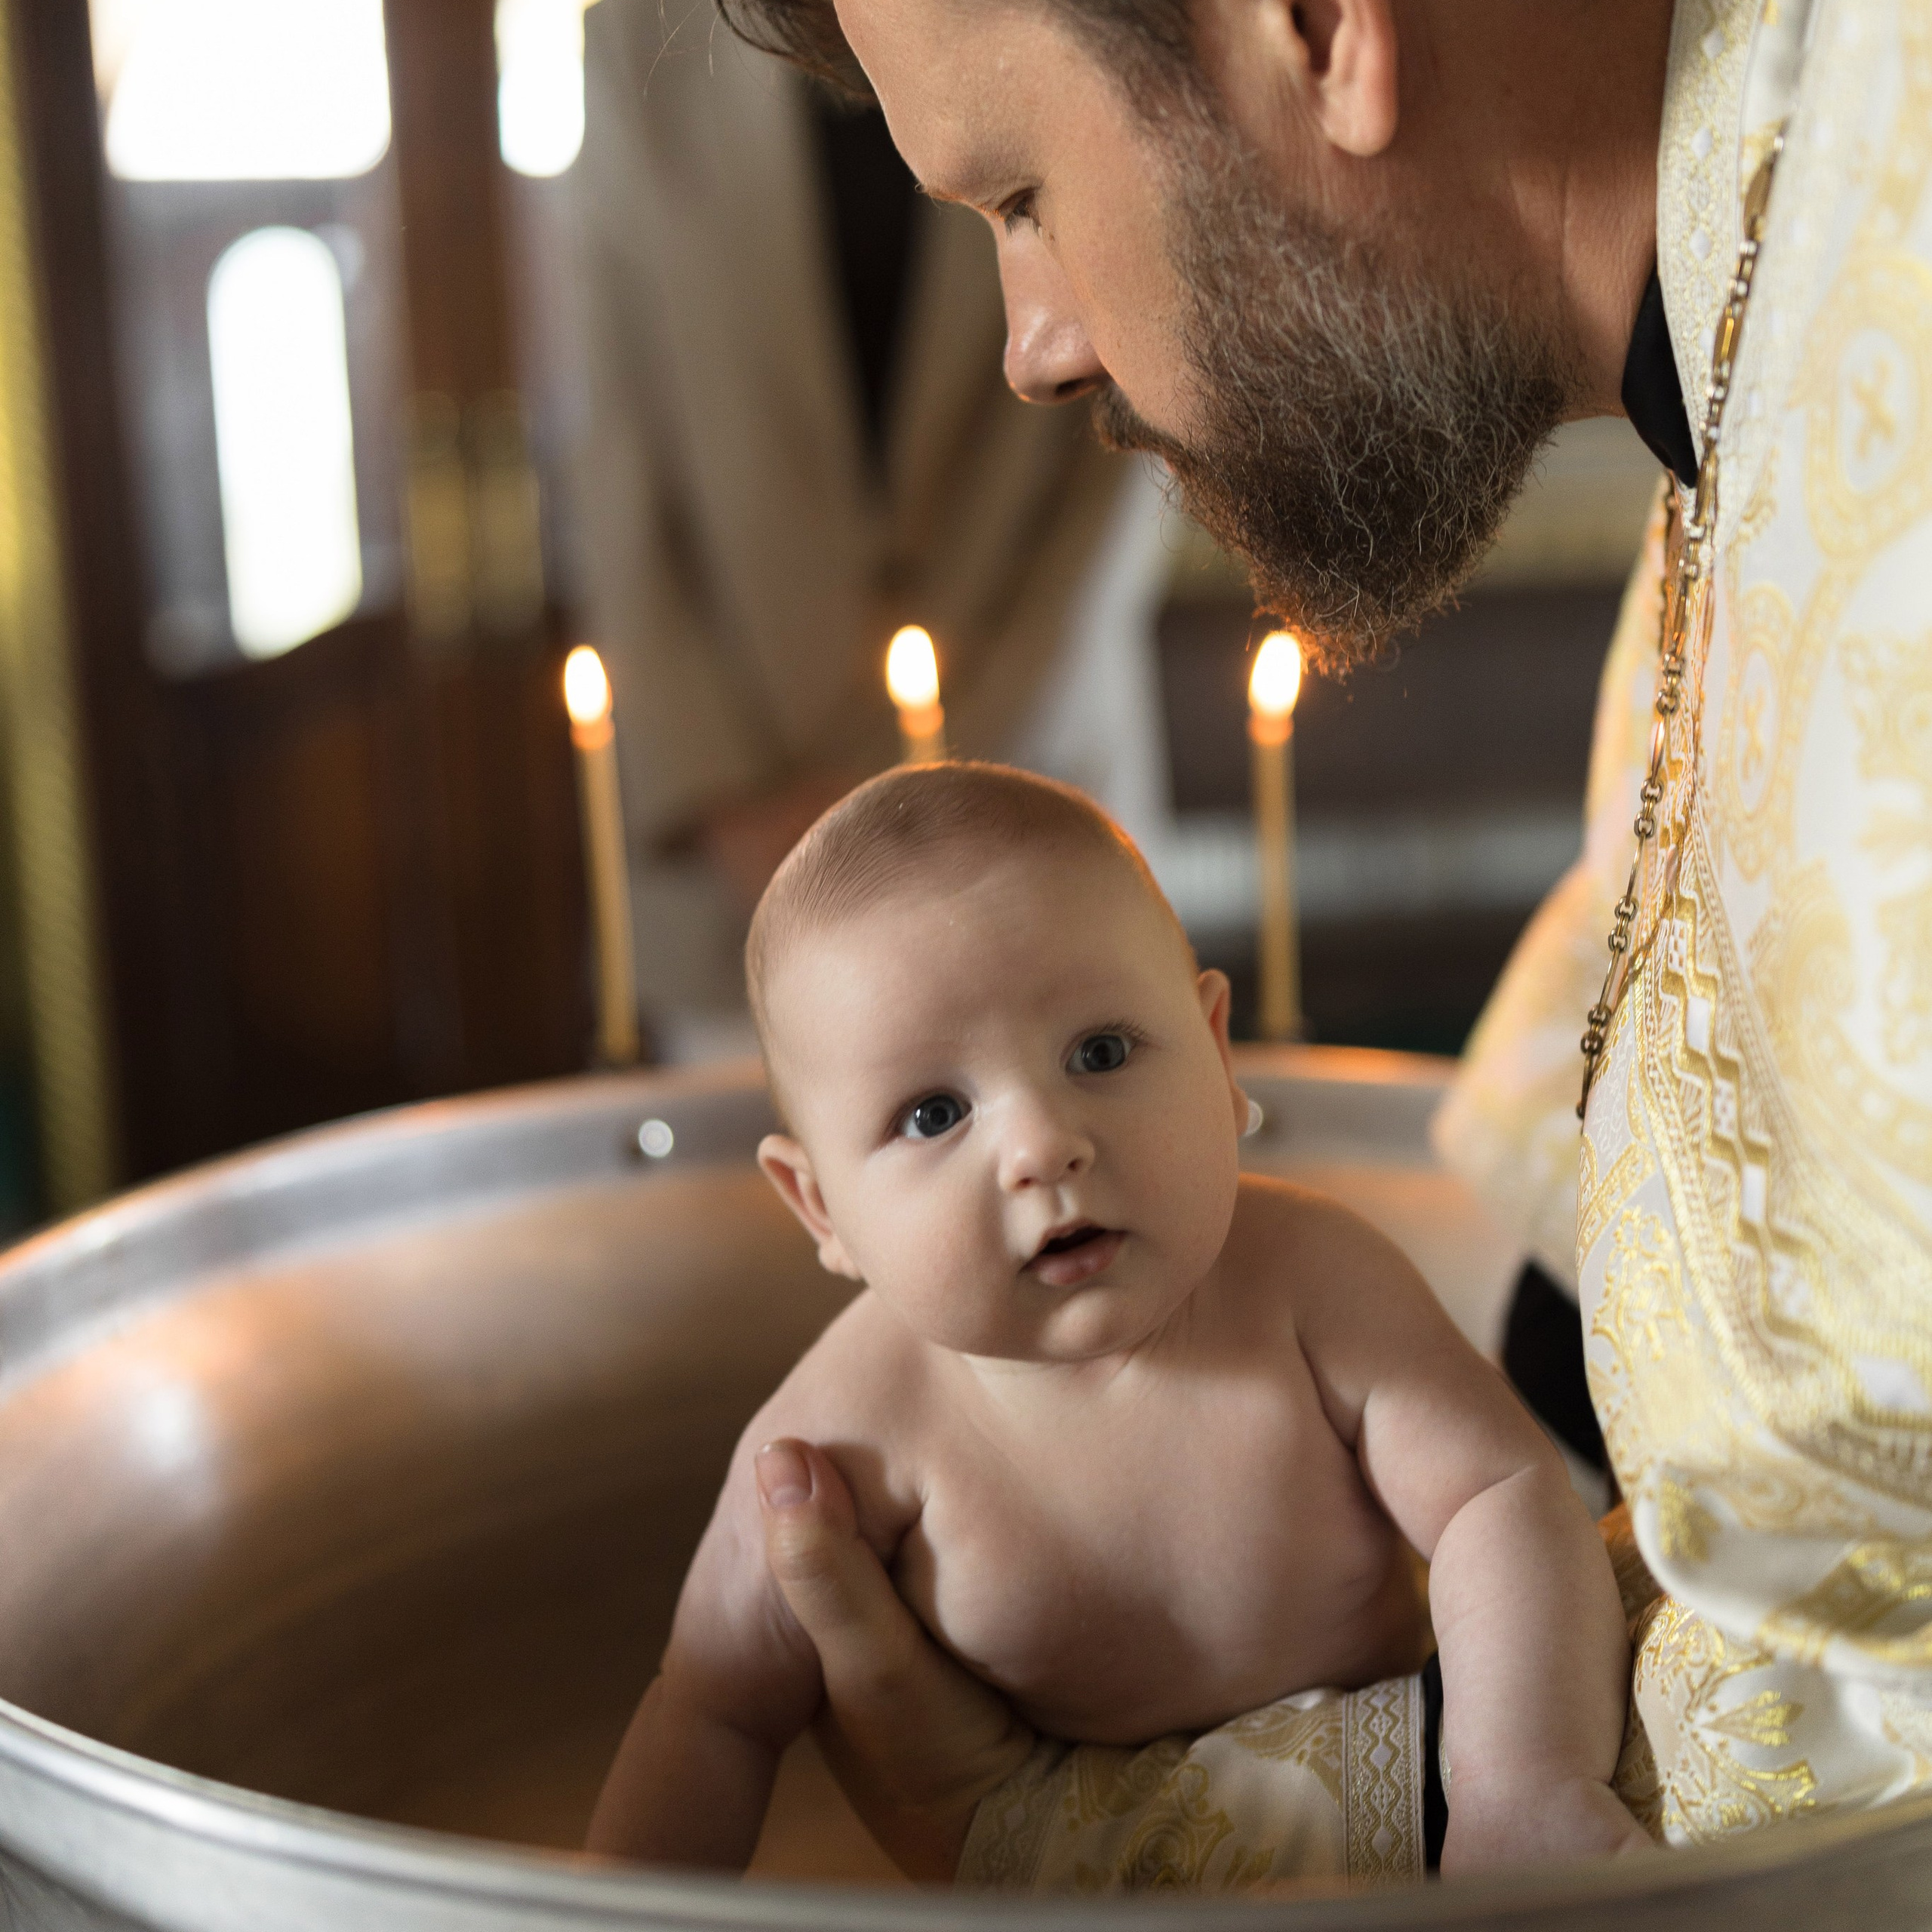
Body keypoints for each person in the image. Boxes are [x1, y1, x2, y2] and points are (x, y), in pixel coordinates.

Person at [665, 0, 1932, 1888]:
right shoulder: (1783, 238)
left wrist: (1080, 1842)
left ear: (1318, 28)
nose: (1034, 345)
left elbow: (1853, 1748)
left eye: (1020, 196)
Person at [586, 761, 1645, 1878]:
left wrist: (1519, 1781)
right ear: (820, 1208)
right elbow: (711, 1712)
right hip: (1062, 1877)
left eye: (1099, 1053)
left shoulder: (1313, 1285)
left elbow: (1501, 1494)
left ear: (1217, 1054)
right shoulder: (843, 1432)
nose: (1044, 1145)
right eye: (934, 1114)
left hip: (1389, 1799)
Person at [570, 0, 1154, 1048]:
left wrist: (951, 765)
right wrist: (733, 803)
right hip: (745, 843)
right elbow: (611, 447)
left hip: (1032, 774)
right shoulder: (635, 36)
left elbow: (1118, 444)